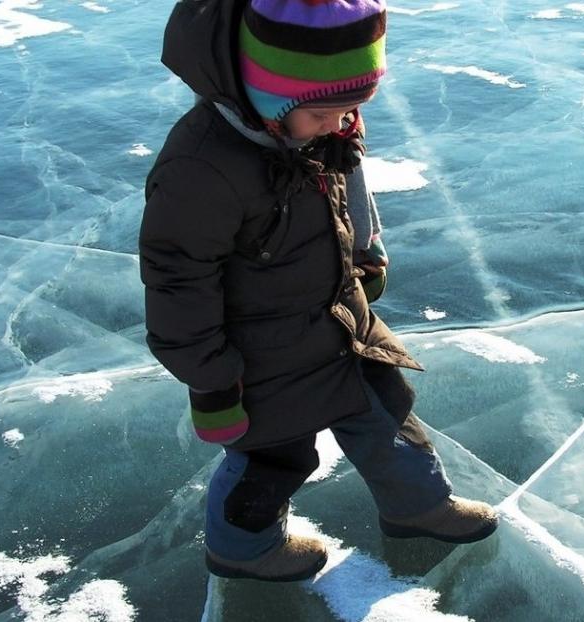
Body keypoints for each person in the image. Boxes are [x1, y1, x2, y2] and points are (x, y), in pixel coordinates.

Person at [139, 0, 498, 582]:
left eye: (351, 109)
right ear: (265, 100)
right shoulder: (202, 168)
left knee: (388, 417)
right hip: (261, 356)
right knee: (274, 458)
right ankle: (242, 549)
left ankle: (419, 507)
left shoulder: (322, 120)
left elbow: (350, 185)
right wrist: (211, 379)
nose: (340, 124)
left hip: (339, 319)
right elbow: (178, 279)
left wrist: (365, 253)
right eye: (323, 115)